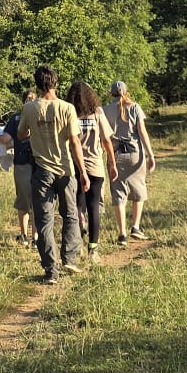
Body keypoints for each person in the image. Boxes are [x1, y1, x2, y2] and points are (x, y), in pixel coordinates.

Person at [17, 66, 88, 283]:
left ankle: (51, 270)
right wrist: (83, 172)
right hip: (65, 169)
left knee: (44, 220)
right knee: (71, 215)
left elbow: (21, 135)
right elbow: (75, 141)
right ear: (56, 83)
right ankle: (69, 258)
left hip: (41, 171)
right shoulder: (67, 108)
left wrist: (34, 131)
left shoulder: (29, 108)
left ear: (37, 84)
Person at [68, 80, 118, 257]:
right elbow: (106, 140)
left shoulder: (69, 113)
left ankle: (78, 245)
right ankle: (93, 249)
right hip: (95, 166)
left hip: (74, 166)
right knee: (94, 207)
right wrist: (112, 163)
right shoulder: (97, 113)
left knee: (77, 206)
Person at [104, 80, 156, 242]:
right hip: (135, 154)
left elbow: (103, 136)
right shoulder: (134, 107)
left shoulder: (105, 110)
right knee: (138, 189)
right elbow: (142, 131)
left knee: (118, 192)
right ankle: (135, 226)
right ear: (126, 92)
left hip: (115, 154)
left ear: (111, 93)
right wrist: (150, 154)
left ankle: (122, 234)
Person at [7, 90, 36, 245]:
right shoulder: (39, 114)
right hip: (29, 163)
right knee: (27, 201)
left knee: (28, 201)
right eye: (27, 99)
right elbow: (6, 138)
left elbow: (6, 138)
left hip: (28, 163)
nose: (29, 101)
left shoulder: (17, 118)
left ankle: (31, 237)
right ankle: (28, 236)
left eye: (31, 99)